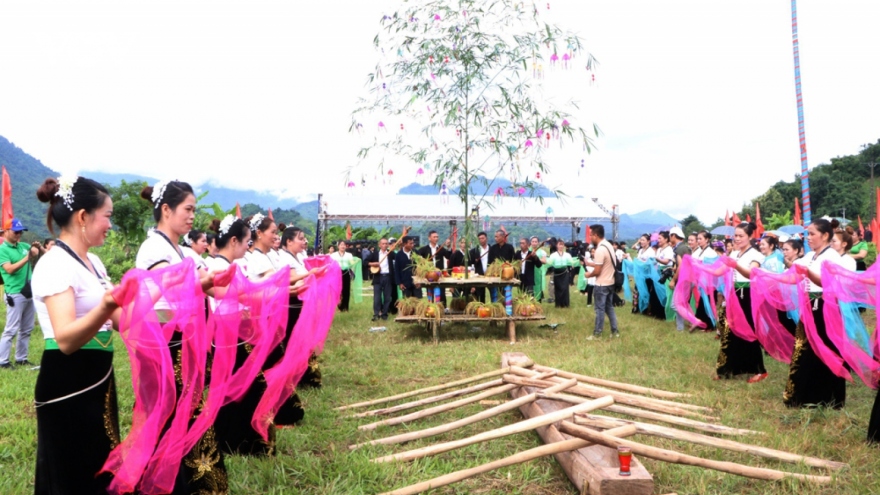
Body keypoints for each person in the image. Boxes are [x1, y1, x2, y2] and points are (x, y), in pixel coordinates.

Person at [135, 179, 228, 493]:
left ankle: (199, 481)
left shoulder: (181, 250)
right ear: (166, 209)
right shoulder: (153, 249)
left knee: (191, 411)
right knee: (169, 416)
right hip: (165, 344)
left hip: (185, 344)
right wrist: (206, 282)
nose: (192, 216)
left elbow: (209, 284)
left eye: (194, 210)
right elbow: (174, 295)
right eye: (187, 209)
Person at [32, 176, 122, 494]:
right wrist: (107, 305)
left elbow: (122, 320)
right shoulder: (55, 263)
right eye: (107, 216)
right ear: (83, 216)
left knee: (100, 463)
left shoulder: (93, 263)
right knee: (73, 472)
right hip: (68, 382)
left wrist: (186, 291)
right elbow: (66, 339)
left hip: (98, 378)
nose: (110, 225)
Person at [786, 218, 848, 409]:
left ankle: (826, 397)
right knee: (805, 349)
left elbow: (828, 283)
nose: (808, 238)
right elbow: (795, 274)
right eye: (807, 234)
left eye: (812, 234)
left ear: (826, 235)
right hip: (810, 305)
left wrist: (807, 273)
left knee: (824, 349)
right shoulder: (812, 256)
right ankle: (805, 394)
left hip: (825, 307)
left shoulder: (831, 257)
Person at [717, 222, 767, 383]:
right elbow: (722, 270)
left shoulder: (755, 255)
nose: (737, 239)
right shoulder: (735, 254)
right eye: (735, 236)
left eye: (741, 236)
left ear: (750, 237)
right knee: (730, 331)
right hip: (734, 294)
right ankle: (730, 368)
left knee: (749, 331)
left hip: (748, 294)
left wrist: (735, 265)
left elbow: (751, 273)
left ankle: (760, 370)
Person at [0, 218, 41, 368]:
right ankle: (3, 361)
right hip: (15, 293)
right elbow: (9, 269)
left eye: (20, 232)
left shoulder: (24, 246)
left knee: (27, 328)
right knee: (11, 329)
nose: (19, 234)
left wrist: (38, 249)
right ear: (5, 232)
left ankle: (21, 358)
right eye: (16, 231)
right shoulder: (2, 250)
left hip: (29, 292)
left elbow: (39, 253)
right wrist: (28, 257)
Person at [585, 224, 620, 339]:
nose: (590, 237)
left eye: (591, 235)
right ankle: (615, 331)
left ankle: (597, 333)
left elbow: (598, 271)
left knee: (599, 309)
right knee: (609, 307)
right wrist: (591, 264)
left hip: (601, 284)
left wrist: (588, 274)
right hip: (611, 282)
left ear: (596, 235)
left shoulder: (600, 249)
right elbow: (605, 263)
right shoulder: (608, 245)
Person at [690, 230, 718, 332]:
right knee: (702, 302)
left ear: (707, 240)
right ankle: (702, 322)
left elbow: (712, 267)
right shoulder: (700, 251)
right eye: (698, 238)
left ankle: (710, 325)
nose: (698, 241)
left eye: (700, 239)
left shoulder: (710, 252)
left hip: (709, 282)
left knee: (709, 302)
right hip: (701, 281)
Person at [368, 238, 394, 321]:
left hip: (388, 277)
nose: (385, 245)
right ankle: (376, 314)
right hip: (378, 277)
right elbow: (365, 262)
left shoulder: (390, 253)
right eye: (383, 243)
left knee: (387, 297)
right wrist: (373, 263)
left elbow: (398, 258)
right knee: (377, 298)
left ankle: (384, 314)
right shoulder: (375, 254)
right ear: (379, 245)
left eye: (386, 243)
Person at [330, 240, 356, 311]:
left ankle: (346, 306)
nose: (343, 246)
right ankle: (339, 305)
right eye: (341, 245)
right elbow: (330, 264)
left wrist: (352, 271)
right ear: (338, 246)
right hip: (336, 274)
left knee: (346, 290)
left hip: (346, 273)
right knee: (337, 290)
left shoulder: (349, 255)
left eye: (344, 245)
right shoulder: (333, 255)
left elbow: (352, 264)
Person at [547, 239, 573, 308]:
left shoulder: (567, 254)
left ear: (564, 246)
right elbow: (550, 264)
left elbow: (571, 263)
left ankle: (566, 304)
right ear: (557, 246)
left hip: (565, 273)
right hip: (557, 273)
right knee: (558, 288)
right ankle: (558, 304)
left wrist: (572, 265)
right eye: (559, 244)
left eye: (562, 245)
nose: (561, 246)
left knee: (565, 288)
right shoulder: (553, 255)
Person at [469, 232, 490, 302]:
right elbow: (470, 265)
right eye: (479, 239)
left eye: (483, 238)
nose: (481, 240)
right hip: (479, 276)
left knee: (494, 293)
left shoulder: (492, 249)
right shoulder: (473, 251)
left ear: (486, 239)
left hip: (490, 275)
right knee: (479, 295)